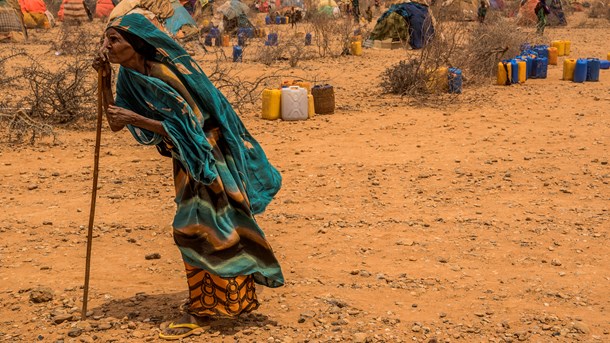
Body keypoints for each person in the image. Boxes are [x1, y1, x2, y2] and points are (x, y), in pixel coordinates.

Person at [95, 13, 284, 340]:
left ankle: (206, 311)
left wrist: (134, 117)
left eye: (114, 40)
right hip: (186, 158)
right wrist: (104, 80)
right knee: (215, 226)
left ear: (136, 44)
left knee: (199, 227)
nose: (106, 46)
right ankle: (224, 300)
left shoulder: (165, 73)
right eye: (105, 39)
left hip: (208, 154)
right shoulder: (128, 76)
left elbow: (193, 127)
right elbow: (115, 121)